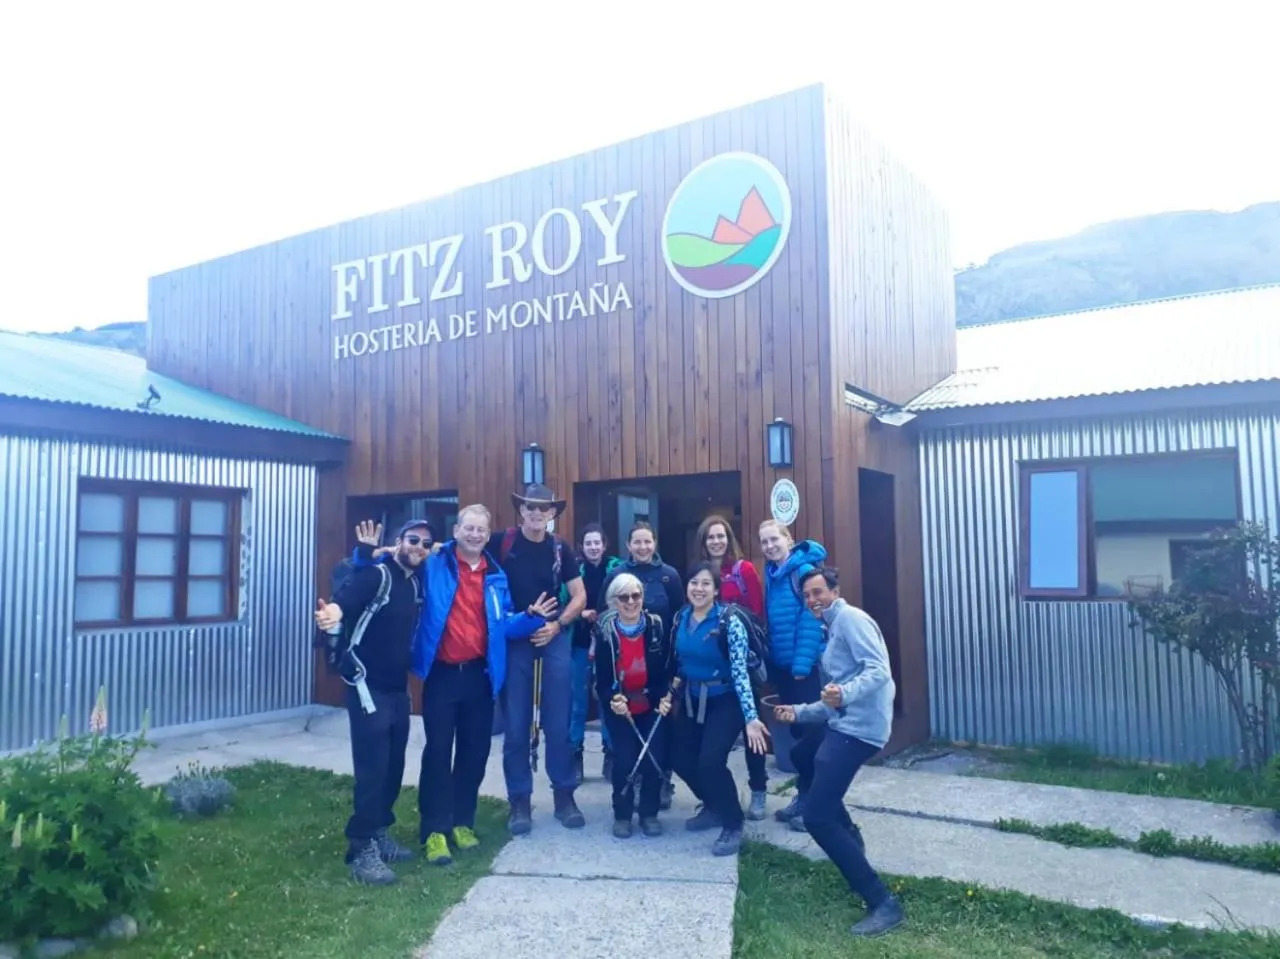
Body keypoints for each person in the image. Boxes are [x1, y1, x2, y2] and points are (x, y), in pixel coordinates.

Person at [407, 505, 558, 865]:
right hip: (442, 675)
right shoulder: (435, 564)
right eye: (468, 528)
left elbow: (502, 624)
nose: (475, 535)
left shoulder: (495, 575)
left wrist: (529, 619)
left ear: (487, 535)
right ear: (456, 530)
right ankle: (434, 831)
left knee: (474, 754)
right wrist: (374, 554)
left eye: (481, 530)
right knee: (438, 753)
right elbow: (402, 562)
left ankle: (462, 822)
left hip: (479, 676)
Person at [772, 567, 904, 938]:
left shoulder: (850, 619)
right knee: (801, 757)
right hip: (842, 723)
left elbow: (878, 671)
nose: (813, 600)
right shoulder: (830, 627)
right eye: (807, 596)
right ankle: (850, 837)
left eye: (818, 592)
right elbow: (833, 697)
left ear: (835, 590)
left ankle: (883, 903)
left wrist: (843, 695)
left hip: (861, 731)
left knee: (816, 818)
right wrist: (798, 712)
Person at [314, 520, 427, 886]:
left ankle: (379, 830)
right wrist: (333, 614)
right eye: (413, 540)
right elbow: (345, 600)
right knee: (373, 768)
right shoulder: (378, 576)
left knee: (394, 766)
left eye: (426, 543)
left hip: (397, 688)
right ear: (399, 542)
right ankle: (361, 845)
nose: (420, 547)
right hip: (366, 686)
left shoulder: (412, 582)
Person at [489, 483, 588, 835]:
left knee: (558, 722)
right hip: (516, 634)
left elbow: (579, 596)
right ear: (521, 511)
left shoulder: (561, 549)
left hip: (552, 633)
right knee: (515, 724)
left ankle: (564, 796)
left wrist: (557, 625)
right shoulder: (502, 542)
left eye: (542, 509)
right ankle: (519, 801)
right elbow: (459, 551)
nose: (535, 513)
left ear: (552, 514)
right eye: (529, 508)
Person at [667, 562, 769, 857]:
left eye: (705, 584)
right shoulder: (680, 619)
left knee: (710, 761)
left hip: (726, 699)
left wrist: (751, 718)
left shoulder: (728, 622)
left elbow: (739, 671)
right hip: (692, 697)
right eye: (694, 583)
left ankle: (732, 823)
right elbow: (680, 664)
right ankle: (712, 804)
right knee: (681, 759)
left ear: (715, 590)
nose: (698, 589)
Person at [600, 522, 685, 808]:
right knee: (625, 749)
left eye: (647, 542)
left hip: (658, 658)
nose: (643, 547)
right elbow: (605, 615)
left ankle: (660, 784)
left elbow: (678, 617)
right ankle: (627, 793)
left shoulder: (669, 576)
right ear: (628, 545)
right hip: (624, 653)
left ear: (655, 543)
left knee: (659, 740)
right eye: (637, 542)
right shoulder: (617, 575)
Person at [696, 514, 768, 819]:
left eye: (721, 536)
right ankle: (716, 794)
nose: (716, 541)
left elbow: (758, 614)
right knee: (712, 740)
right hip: (713, 668)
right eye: (711, 537)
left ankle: (759, 791)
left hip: (743, 663)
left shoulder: (744, 570)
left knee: (752, 730)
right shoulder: (700, 573)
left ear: (729, 539)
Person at [592, 572, 675, 838]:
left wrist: (666, 697)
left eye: (636, 595)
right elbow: (601, 680)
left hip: (651, 703)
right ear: (613, 602)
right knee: (625, 759)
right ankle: (623, 814)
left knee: (653, 758)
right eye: (624, 597)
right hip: (621, 706)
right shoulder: (605, 631)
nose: (631, 602)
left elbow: (665, 669)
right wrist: (612, 699)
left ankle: (649, 813)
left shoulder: (656, 626)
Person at [758, 518, 828, 831]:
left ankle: (816, 804)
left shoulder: (801, 571)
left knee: (812, 737)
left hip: (804, 669)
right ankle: (805, 797)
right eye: (764, 541)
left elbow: (811, 618)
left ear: (788, 539)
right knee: (800, 734)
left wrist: (801, 666)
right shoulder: (773, 573)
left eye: (775, 539)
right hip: (784, 667)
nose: (770, 546)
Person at [569, 523, 623, 783]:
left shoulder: (617, 568)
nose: (593, 547)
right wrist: (580, 613)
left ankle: (611, 755)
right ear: (582, 546)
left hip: (610, 646)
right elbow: (563, 600)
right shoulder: (574, 570)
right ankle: (575, 755)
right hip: (579, 644)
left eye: (597, 543)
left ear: (605, 544)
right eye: (588, 543)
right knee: (577, 702)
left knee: (608, 701)